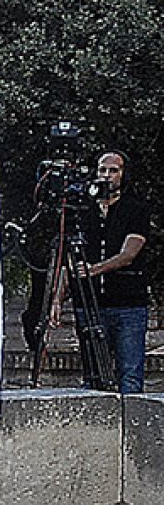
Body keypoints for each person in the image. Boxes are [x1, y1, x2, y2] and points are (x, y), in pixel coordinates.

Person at [78, 151, 150, 393]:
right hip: (90, 304)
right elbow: (69, 260)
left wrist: (93, 270)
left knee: (129, 375)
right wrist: (58, 298)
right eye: (102, 170)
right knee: (93, 377)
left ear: (123, 174)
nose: (106, 176)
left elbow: (129, 254)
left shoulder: (135, 209)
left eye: (113, 170)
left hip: (127, 303)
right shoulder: (84, 212)